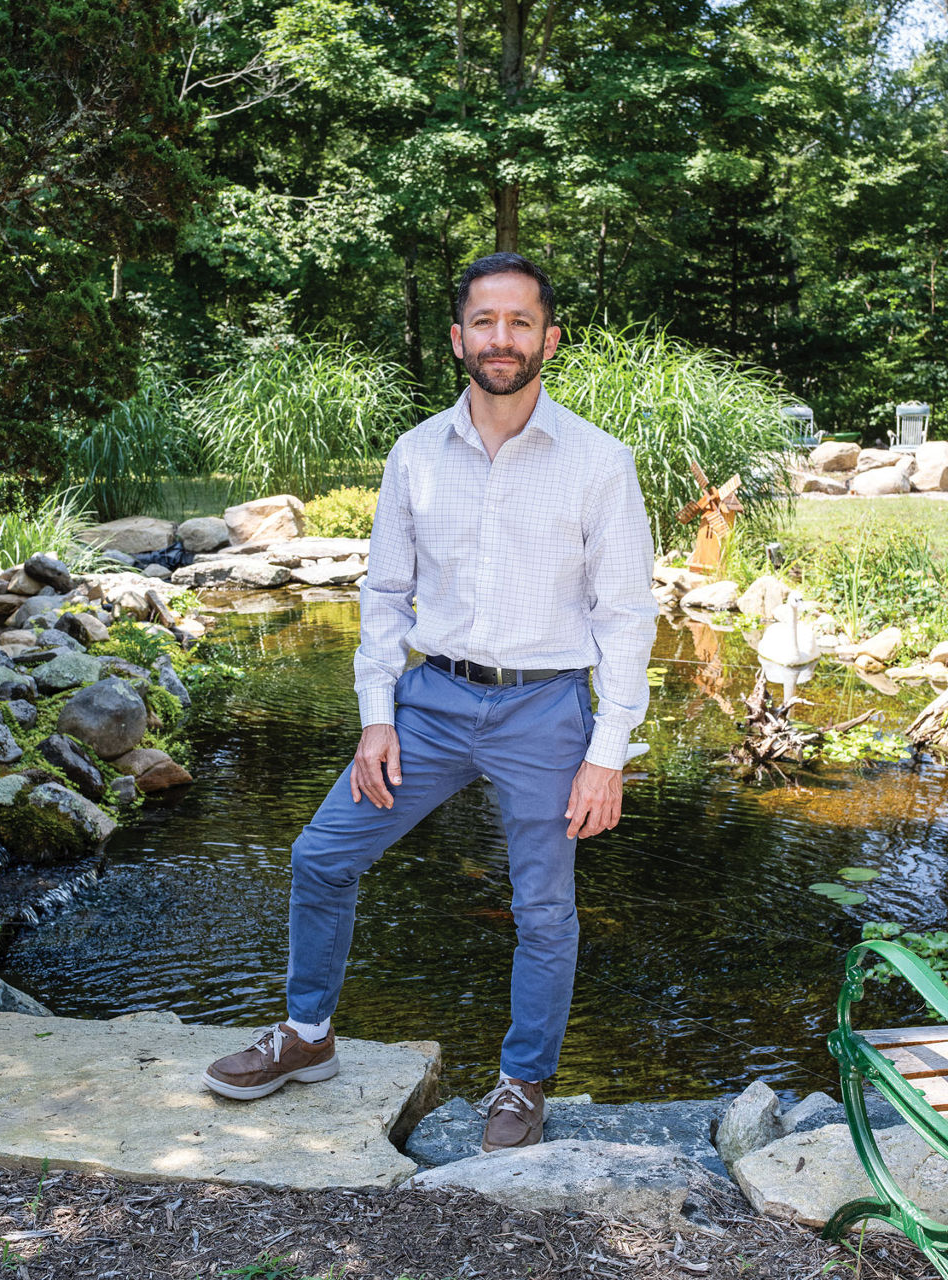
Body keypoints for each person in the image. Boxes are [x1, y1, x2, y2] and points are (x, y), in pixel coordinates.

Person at [203, 252, 658, 1152]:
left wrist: (607, 753)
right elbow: (383, 595)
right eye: (485, 321)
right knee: (321, 855)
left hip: (546, 711)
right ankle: (307, 1033)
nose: (501, 338)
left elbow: (626, 616)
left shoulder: (599, 463)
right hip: (431, 703)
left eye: (520, 322)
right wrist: (377, 716)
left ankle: (523, 1080)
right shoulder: (415, 454)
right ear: (458, 338)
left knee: (543, 910)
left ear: (549, 340)